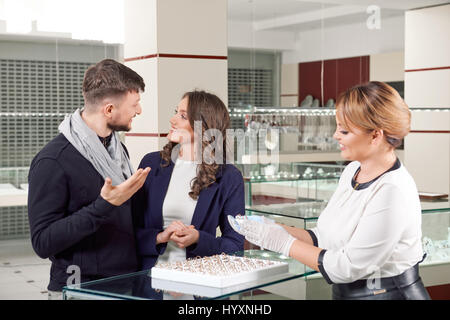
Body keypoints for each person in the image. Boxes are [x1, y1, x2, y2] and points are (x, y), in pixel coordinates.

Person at [239, 81, 431, 300]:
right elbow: (324, 238)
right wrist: (273, 228)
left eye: (344, 130)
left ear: (375, 135)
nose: (335, 136)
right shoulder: (351, 171)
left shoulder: (392, 190)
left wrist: (283, 243)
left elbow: (347, 267)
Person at [27, 59, 150, 299]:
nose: (139, 111)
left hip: (125, 283)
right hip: (81, 290)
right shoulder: (53, 161)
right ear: (109, 110)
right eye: (134, 104)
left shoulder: (117, 151)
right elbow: (42, 242)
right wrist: (104, 205)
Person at [132, 90, 245, 282]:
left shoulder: (229, 176)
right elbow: (130, 230)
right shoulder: (151, 163)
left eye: (182, 116)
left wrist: (198, 239)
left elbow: (235, 245)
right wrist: (159, 237)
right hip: (149, 283)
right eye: (176, 112)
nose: (172, 119)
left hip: (200, 284)